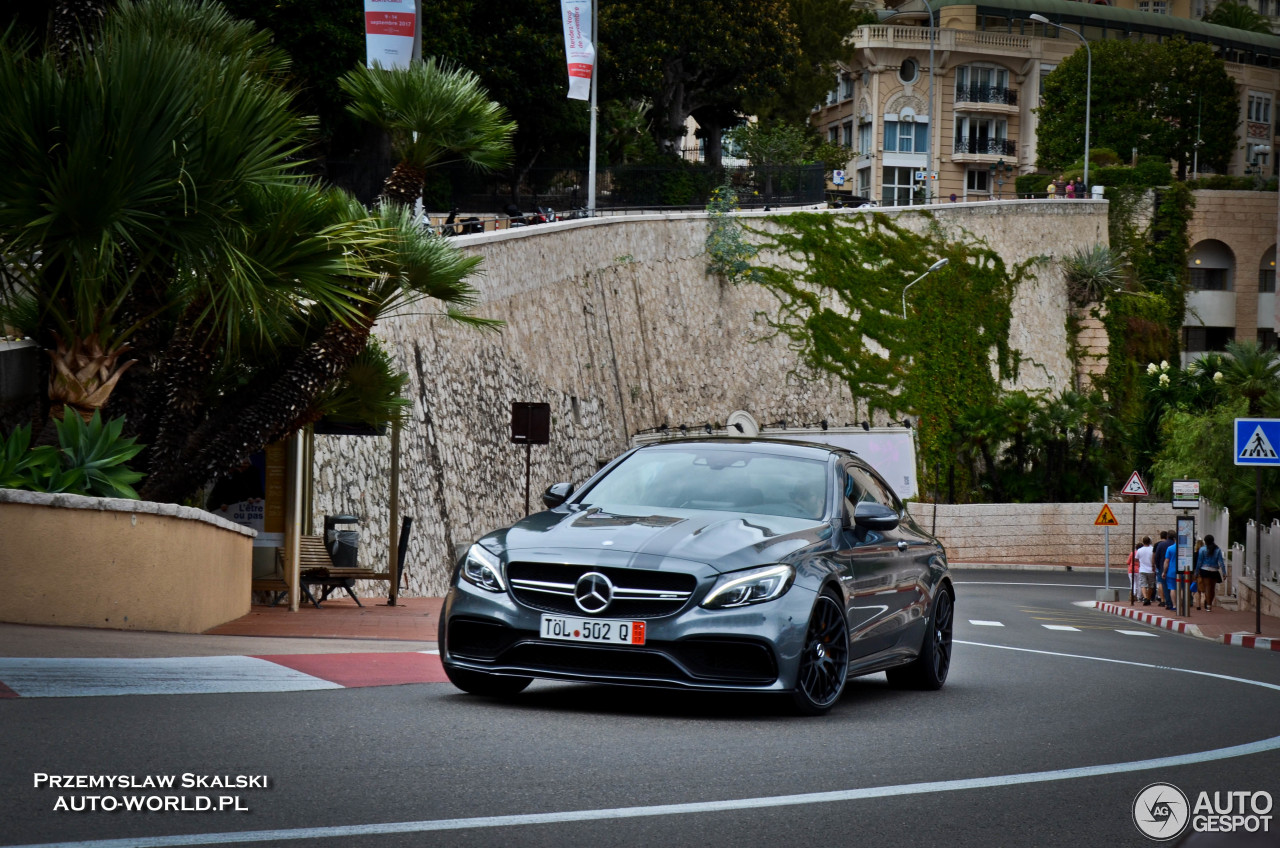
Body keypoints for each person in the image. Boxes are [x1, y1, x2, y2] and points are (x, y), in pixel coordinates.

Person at [1197, 534, 1226, 612]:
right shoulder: (1218, 550)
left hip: (1204, 570)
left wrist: (1196, 572)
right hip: (1214, 571)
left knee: (1207, 588)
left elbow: (1199, 561)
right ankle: (1209, 604)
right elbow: (1221, 562)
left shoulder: (1202, 549)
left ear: (1205, 541)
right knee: (1212, 588)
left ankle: (1208, 603)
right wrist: (1224, 572)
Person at [1152, 531, 1172, 607]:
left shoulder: (1158, 544)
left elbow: (1155, 556)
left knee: (1161, 583)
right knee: (1171, 585)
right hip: (1171, 566)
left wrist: (1155, 565)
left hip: (1161, 566)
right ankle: (1170, 601)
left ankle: (1163, 599)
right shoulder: (1173, 544)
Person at [1136, 536, 1156, 605]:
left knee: (1143, 584)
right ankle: (1148, 598)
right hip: (1151, 569)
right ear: (1150, 542)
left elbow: (1136, 558)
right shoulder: (1153, 549)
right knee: (1151, 585)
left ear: (1143, 542)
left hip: (1142, 569)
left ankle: (1144, 597)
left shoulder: (1139, 550)